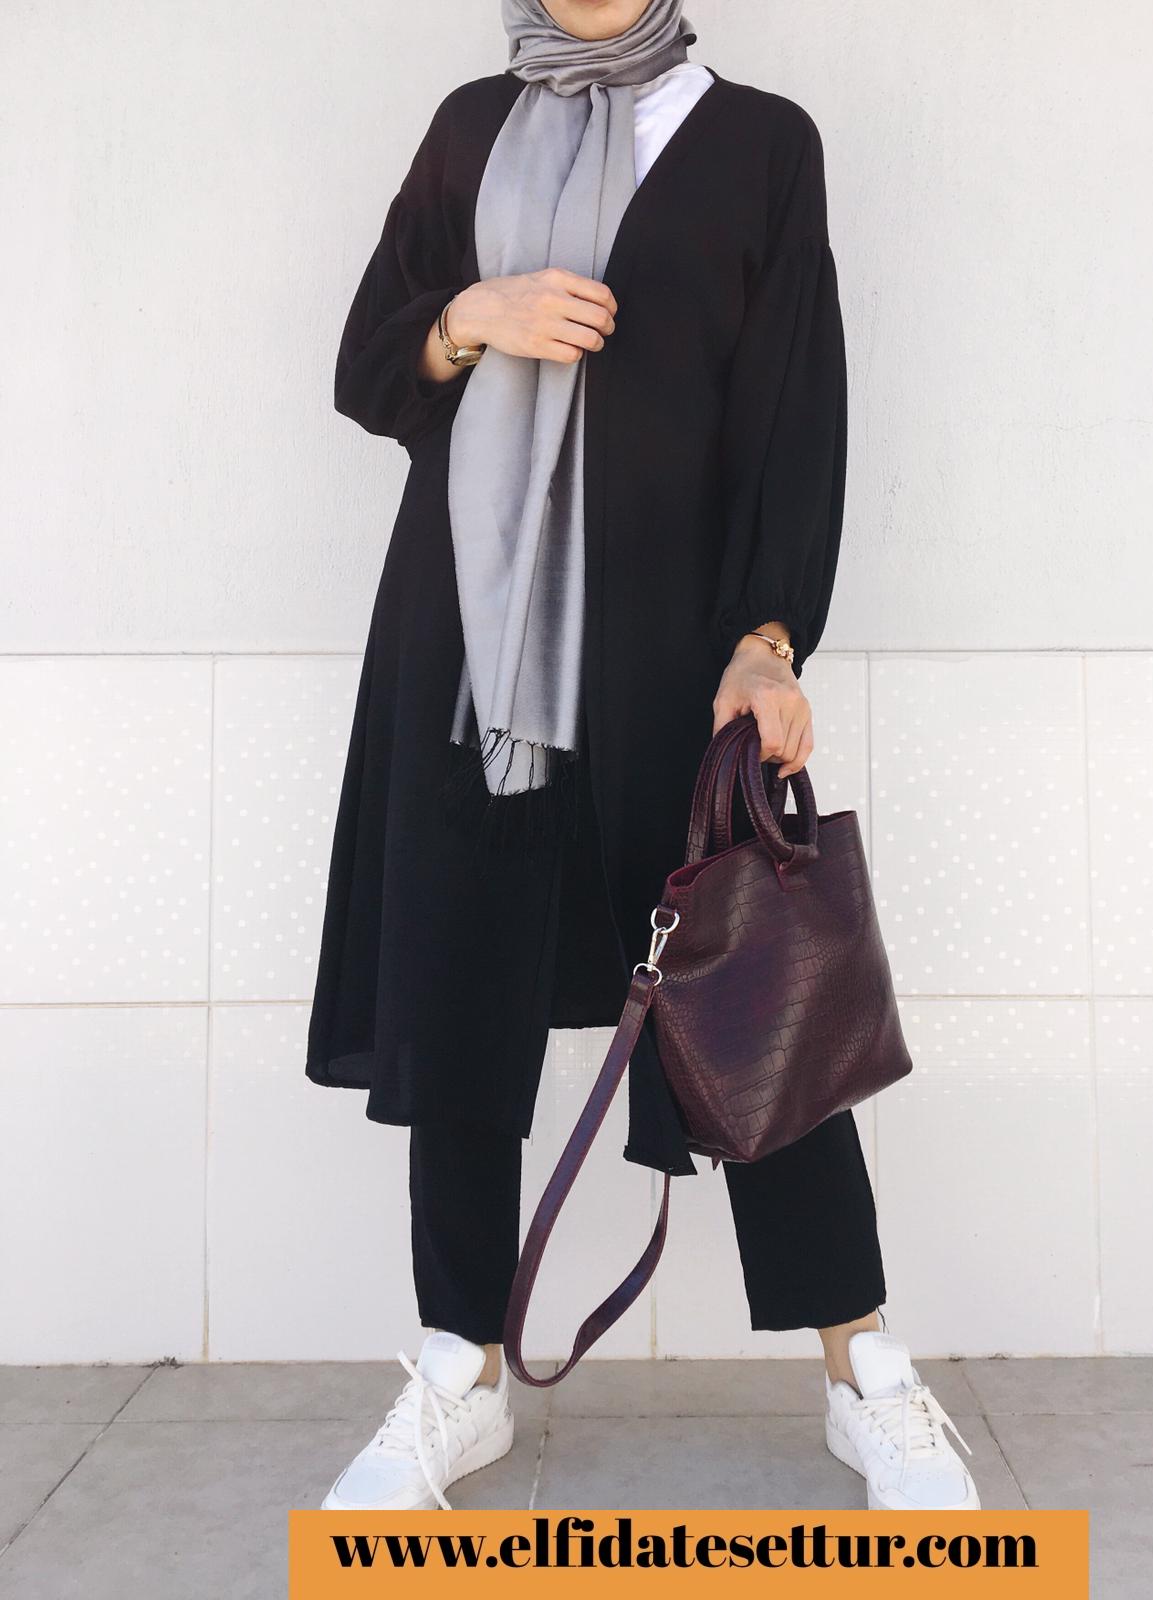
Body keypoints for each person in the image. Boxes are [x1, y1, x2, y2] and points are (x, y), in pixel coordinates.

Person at [306, 0, 979, 1514]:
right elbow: (368, 368)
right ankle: (460, 1372)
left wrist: (769, 637)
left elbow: (794, 407)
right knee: (462, 1005)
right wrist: (470, 316)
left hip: (676, 657)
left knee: (753, 1006)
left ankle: (864, 1376)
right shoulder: (471, 128)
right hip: (472, 655)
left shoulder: (758, 142)